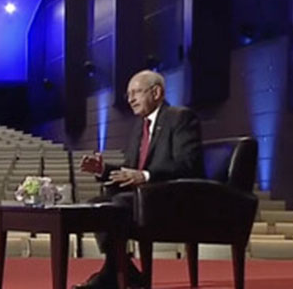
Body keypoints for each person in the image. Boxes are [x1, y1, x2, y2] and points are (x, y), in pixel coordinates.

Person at [73, 70, 204, 289]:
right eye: (128, 95)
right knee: (98, 205)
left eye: (136, 92)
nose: (130, 99)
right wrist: (103, 170)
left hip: (173, 199)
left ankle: (117, 272)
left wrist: (145, 176)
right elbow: (131, 170)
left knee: (117, 204)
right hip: (143, 198)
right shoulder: (139, 126)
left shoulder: (180, 118)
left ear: (156, 92)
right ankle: (120, 268)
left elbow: (188, 165)